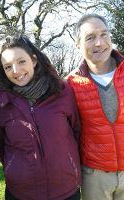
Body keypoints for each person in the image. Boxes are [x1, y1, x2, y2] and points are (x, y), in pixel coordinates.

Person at [0, 35, 81, 200]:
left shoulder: (62, 92)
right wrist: (14, 169)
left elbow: (76, 131)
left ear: (33, 60)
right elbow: (0, 144)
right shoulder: (0, 102)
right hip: (20, 192)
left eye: (21, 62)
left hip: (65, 189)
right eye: (8, 67)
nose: (16, 71)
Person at [67, 13, 124, 200]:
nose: (99, 43)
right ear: (78, 46)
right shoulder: (69, 84)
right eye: (90, 38)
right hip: (94, 177)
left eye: (104, 34)